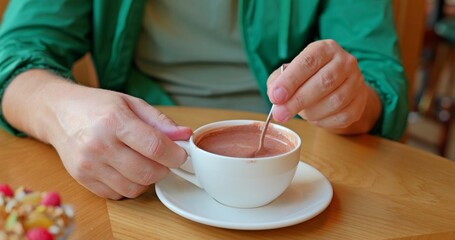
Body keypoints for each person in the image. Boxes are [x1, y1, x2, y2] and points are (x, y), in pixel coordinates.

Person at [0, 0, 409, 199]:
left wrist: (350, 101)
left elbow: (381, 79)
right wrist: (61, 111)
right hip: (140, 170)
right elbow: (14, 54)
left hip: (312, 169)